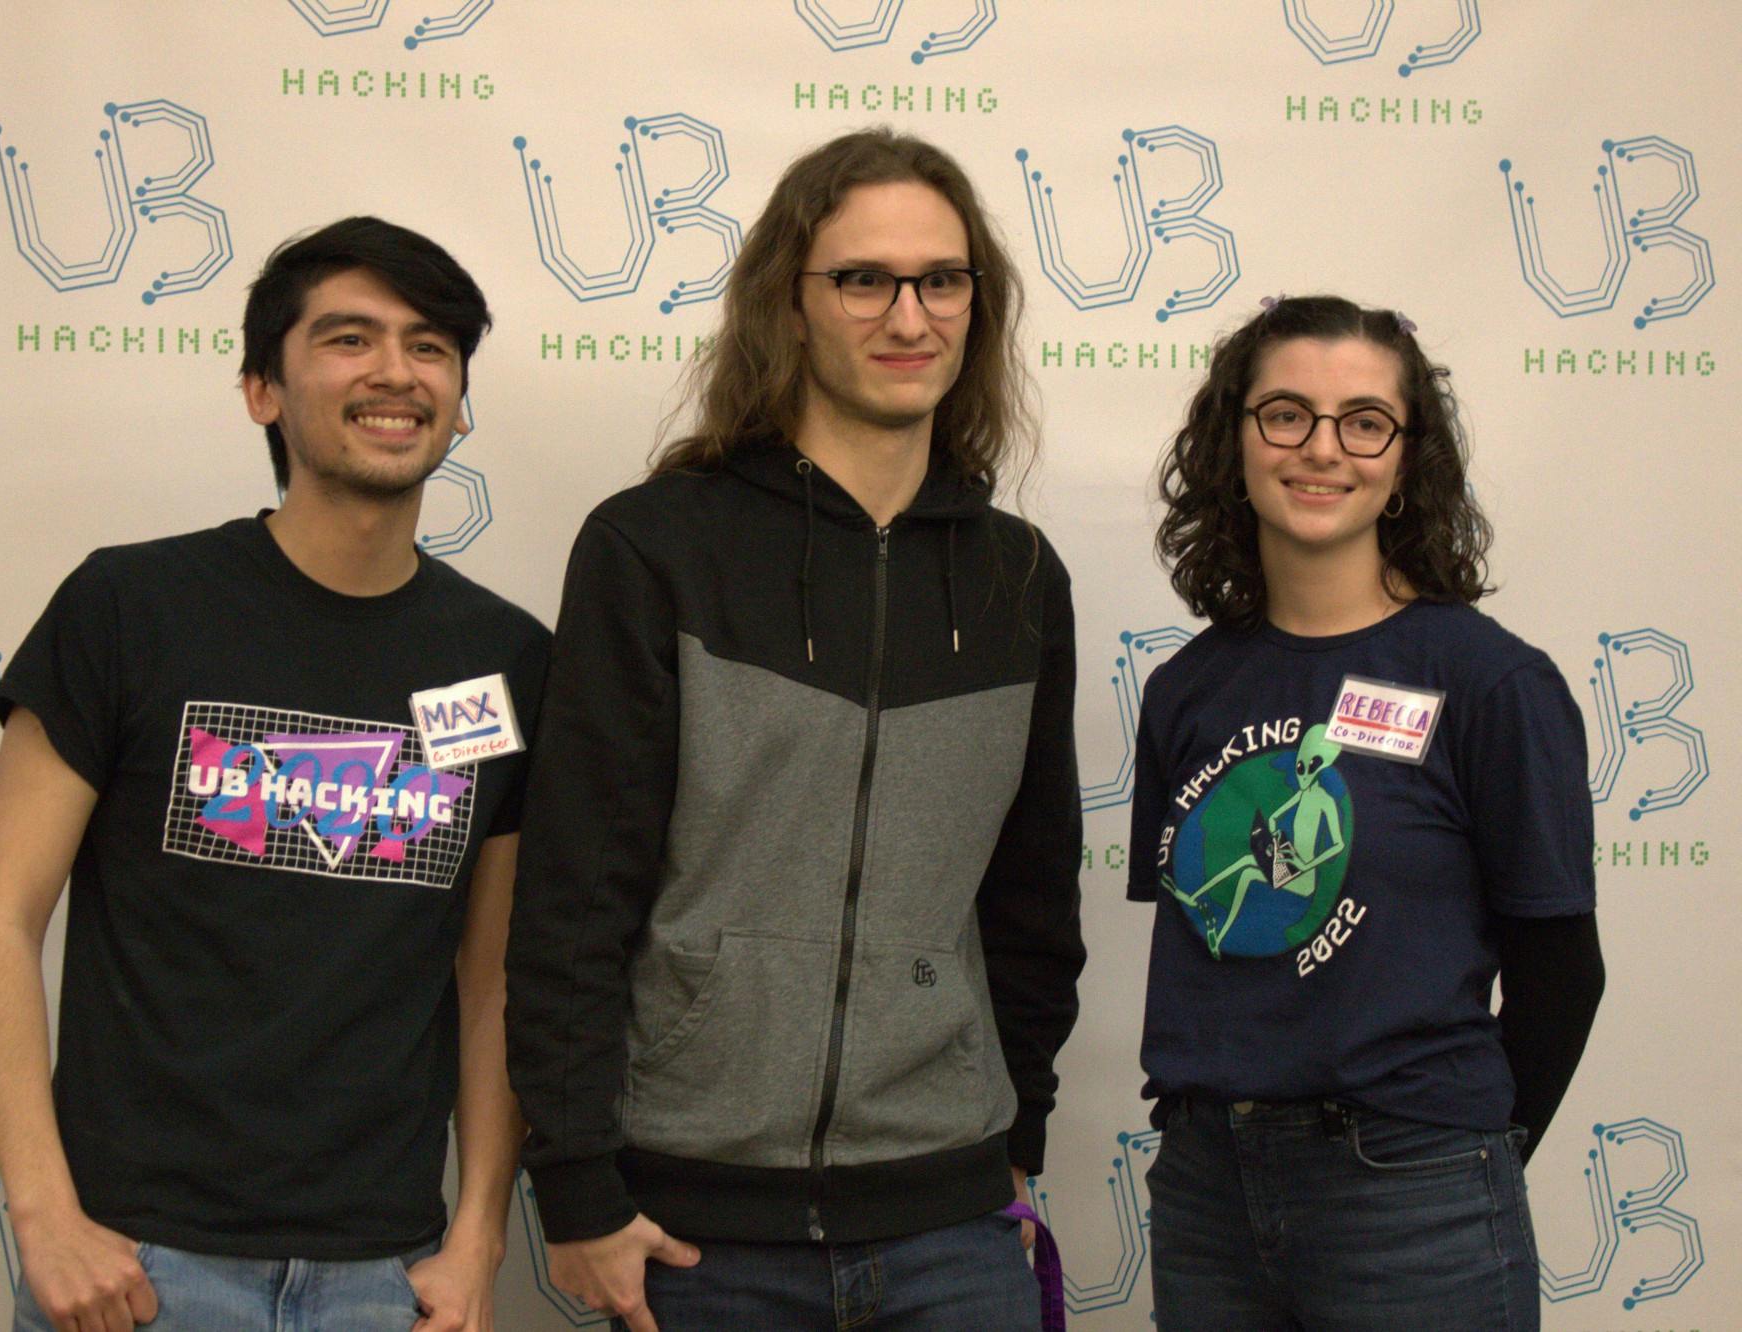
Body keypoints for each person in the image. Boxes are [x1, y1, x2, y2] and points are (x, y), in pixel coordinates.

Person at [505, 129, 1085, 1332]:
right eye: (862, 279)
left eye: (941, 279)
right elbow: (573, 898)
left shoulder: (1016, 578)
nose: (907, 315)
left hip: (948, 1222)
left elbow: (1032, 902)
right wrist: (571, 1185)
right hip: (698, 1239)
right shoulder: (655, 547)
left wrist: (1015, 1122)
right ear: (790, 301)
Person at [0, 216, 549, 1332]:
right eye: (346, 339)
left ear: (459, 402)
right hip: (138, 1271)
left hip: (386, 1279)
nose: (392, 373)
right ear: (261, 390)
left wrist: (476, 1241)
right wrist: (45, 1218)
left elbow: (493, 982)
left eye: (428, 347)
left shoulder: (503, 662)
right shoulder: (131, 609)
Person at [1129, 294, 1605, 1329]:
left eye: (1361, 422)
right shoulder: (1185, 692)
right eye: (1284, 414)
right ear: (1235, 440)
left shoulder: (1489, 684)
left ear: (1402, 459)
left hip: (1410, 1193)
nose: (1321, 449)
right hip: (1203, 1191)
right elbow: (1205, 934)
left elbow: (1560, 966)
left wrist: (1458, 1148)